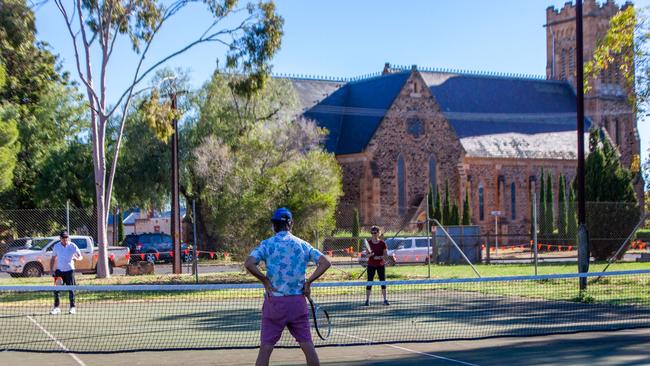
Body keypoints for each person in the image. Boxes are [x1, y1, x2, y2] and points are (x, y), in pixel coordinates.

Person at [245, 207, 331, 366]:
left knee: (265, 349)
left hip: (275, 304)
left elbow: (249, 263)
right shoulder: (302, 244)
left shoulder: (267, 244)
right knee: (308, 346)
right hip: (298, 303)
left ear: (274, 225)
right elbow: (325, 262)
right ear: (290, 224)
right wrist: (309, 281)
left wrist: (264, 280)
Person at [49, 231, 82, 315]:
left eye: (66, 237)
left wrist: (77, 258)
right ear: (60, 238)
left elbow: (80, 256)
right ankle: (56, 308)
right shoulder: (56, 246)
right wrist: (51, 270)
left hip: (70, 271)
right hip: (59, 271)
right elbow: (53, 258)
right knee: (56, 290)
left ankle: (72, 307)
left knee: (71, 289)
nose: (65, 239)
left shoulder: (73, 246)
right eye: (63, 238)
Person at [364, 225, 389, 306]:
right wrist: (370, 255)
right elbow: (367, 255)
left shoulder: (382, 243)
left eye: (375, 232)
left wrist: (379, 257)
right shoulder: (369, 243)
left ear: (379, 233)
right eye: (372, 232)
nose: (374, 234)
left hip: (380, 265)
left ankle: (385, 300)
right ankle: (367, 300)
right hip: (371, 265)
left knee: (383, 282)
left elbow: (386, 255)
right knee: (369, 282)